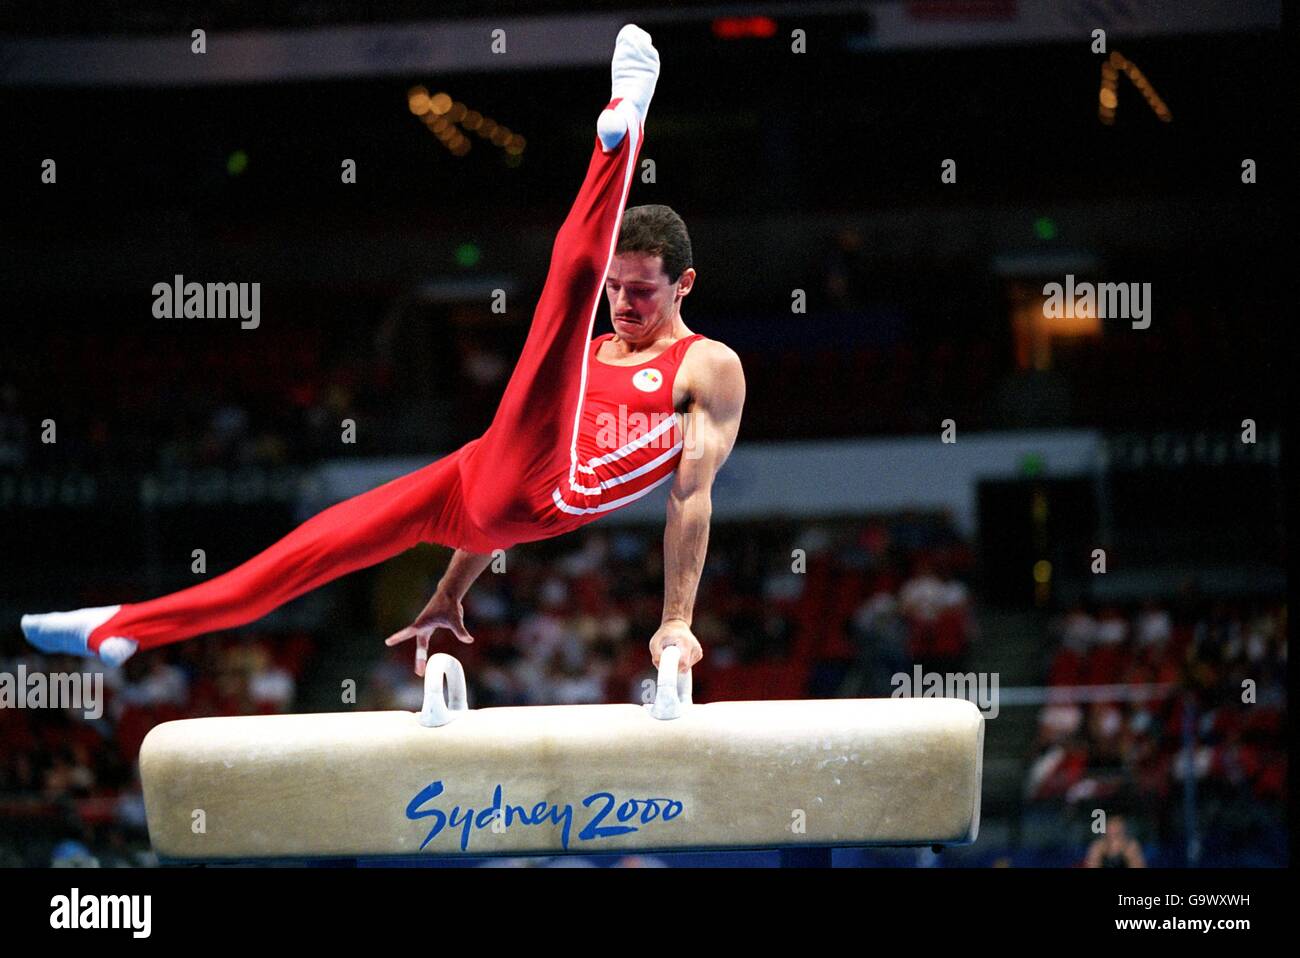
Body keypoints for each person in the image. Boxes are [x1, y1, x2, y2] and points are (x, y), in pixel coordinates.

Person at [21, 25, 746, 679]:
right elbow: (508, 466)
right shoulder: (597, 349)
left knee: (564, 300)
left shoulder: (707, 366)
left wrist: (676, 618)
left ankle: (624, 125)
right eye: (616, 286)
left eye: (643, 291)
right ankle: (125, 629)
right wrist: (448, 590)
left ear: (684, 284)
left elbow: (690, 495)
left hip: (552, 491)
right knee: (300, 556)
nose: (624, 303)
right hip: (478, 480)